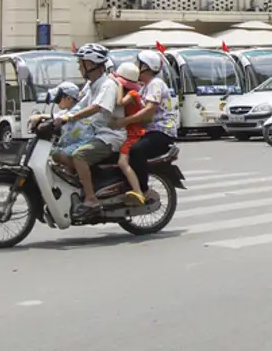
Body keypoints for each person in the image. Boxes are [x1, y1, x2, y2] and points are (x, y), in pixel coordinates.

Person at [49, 43, 124, 219]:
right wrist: (49, 118)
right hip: (94, 133)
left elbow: (96, 107)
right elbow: (77, 107)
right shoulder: (91, 85)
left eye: (80, 63)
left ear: (90, 64)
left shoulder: (107, 85)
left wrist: (70, 118)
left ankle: (91, 200)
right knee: (58, 154)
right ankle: (82, 186)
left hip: (109, 136)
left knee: (79, 156)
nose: (78, 67)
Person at [125, 50, 178, 200]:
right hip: (147, 131)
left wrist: (124, 121)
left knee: (136, 150)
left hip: (161, 132)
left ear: (146, 67)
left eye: (138, 64)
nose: (136, 66)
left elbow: (149, 111)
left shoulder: (156, 84)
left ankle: (143, 189)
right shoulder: (143, 87)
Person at [109, 61, 148, 205]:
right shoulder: (134, 92)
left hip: (134, 133)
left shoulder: (132, 93)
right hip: (130, 130)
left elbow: (119, 102)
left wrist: (118, 84)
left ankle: (138, 191)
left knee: (122, 162)